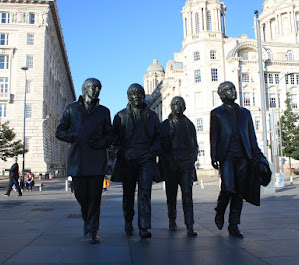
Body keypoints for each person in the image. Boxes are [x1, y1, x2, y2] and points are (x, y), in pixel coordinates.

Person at [56, 78, 112, 244]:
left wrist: (103, 142)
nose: (96, 90)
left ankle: (93, 230)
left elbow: (110, 134)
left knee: (95, 197)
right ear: (85, 89)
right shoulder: (71, 109)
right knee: (81, 196)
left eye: (99, 88)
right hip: (78, 160)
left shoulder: (104, 111)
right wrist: (74, 136)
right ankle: (87, 220)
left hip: (96, 159)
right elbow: (60, 132)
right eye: (93, 87)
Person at [210, 81, 269, 238]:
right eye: (229, 89)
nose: (233, 91)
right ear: (221, 94)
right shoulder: (216, 113)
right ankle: (220, 210)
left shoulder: (245, 113)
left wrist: (258, 156)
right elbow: (214, 136)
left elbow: (252, 137)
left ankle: (234, 224)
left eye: (234, 88)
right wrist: (214, 156)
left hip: (243, 156)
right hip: (227, 155)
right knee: (228, 188)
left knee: (239, 192)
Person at [112, 83, 161, 239]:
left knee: (145, 193)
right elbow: (115, 139)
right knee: (128, 193)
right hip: (129, 158)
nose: (137, 96)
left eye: (140, 93)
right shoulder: (120, 116)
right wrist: (122, 152)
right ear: (128, 97)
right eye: (133, 94)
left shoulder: (152, 115)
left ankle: (144, 226)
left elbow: (159, 137)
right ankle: (128, 221)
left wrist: (152, 151)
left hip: (146, 157)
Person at [159, 96, 198, 236]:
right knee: (171, 195)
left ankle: (189, 225)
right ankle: (172, 220)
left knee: (188, 195)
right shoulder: (164, 125)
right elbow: (160, 147)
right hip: (171, 164)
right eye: (175, 104)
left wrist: (193, 157)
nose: (178, 106)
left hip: (186, 164)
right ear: (171, 106)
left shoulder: (190, 124)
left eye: (181, 104)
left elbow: (195, 145)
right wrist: (167, 159)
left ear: (185, 107)